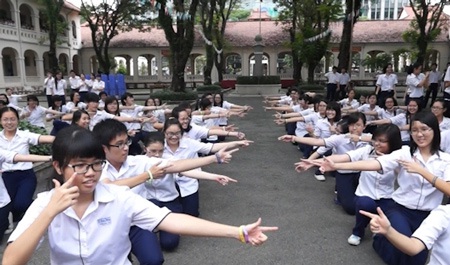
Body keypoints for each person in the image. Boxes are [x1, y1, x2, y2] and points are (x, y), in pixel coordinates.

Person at [3, 126, 277, 264]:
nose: (90, 173)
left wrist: (237, 232)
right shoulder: (43, 204)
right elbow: (11, 260)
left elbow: (171, 220)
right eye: (79, 166)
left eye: (96, 164)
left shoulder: (118, 196)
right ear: (58, 167)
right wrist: (51, 210)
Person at [313, 111, 450, 265]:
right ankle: (382, 241)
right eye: (414, 130)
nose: (419, 134)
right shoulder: (405, 153)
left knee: (417, 255)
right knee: (407, 253)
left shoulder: (446, 160)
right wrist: (336, 165)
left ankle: (381, 240)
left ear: (434, 130)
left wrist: (422, 171)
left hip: (429, 214)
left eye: (424, 129)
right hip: (401, 209)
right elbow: (375, 163)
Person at [92, 120, 238, 264]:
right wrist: (147, 175)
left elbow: (175, 165)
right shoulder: (95, 169)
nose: (125, 148)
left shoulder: (138, 161)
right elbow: (110, 187)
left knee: (154, 260)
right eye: (119, 144)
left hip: (136, 222)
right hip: (107, 224)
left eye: (126, 142)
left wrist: (214, 158)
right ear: (104, 148)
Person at [312, 124, 402, 246]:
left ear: (392, 142)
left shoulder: (398, 156)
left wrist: (389, 162)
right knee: (365, 203)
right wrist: (314, 161)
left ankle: (378, 227)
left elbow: (404, 175)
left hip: (386, 196)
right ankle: (358, 232)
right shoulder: (367, 150)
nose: (377, 144)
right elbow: (345, 157)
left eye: (382, 141)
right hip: (366, 194)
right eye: (376, 139)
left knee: (392, 214)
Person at [278, 113, 370, 213]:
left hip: (362, 174)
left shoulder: (369, 139)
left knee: (368, 204)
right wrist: (294, 138)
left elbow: (382, 140)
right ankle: (341, 194)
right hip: (344, 173)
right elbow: (317, 142)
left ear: (364, 126)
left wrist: (360, 139)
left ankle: (347, 193)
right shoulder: (340, 138)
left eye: (358, 125)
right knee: (351, 209)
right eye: (352, 125)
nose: (354, 128)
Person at [0, 107, 55, 236]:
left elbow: (44, 138)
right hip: (6, 176)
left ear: (18, 120)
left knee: (21, 204)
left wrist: (64, 139)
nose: (9, 122)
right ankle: (14, 221)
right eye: (5, 119)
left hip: (25, 175)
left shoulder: (24, 135)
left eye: (12, 119)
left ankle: (38, 207)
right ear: (1, 121)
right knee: (11, 205)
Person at [361, 205, 450, 265]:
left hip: (426, 211)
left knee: (417, 260)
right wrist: (388, 231)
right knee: (411, 257)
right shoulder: (444, 214)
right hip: (401, 208)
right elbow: (413, 247)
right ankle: (380, 240)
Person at [0, 149, 52, 242]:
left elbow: (21, 157)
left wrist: (50, 158)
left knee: (21, 204)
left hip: (1, 203)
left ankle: (8, 219)